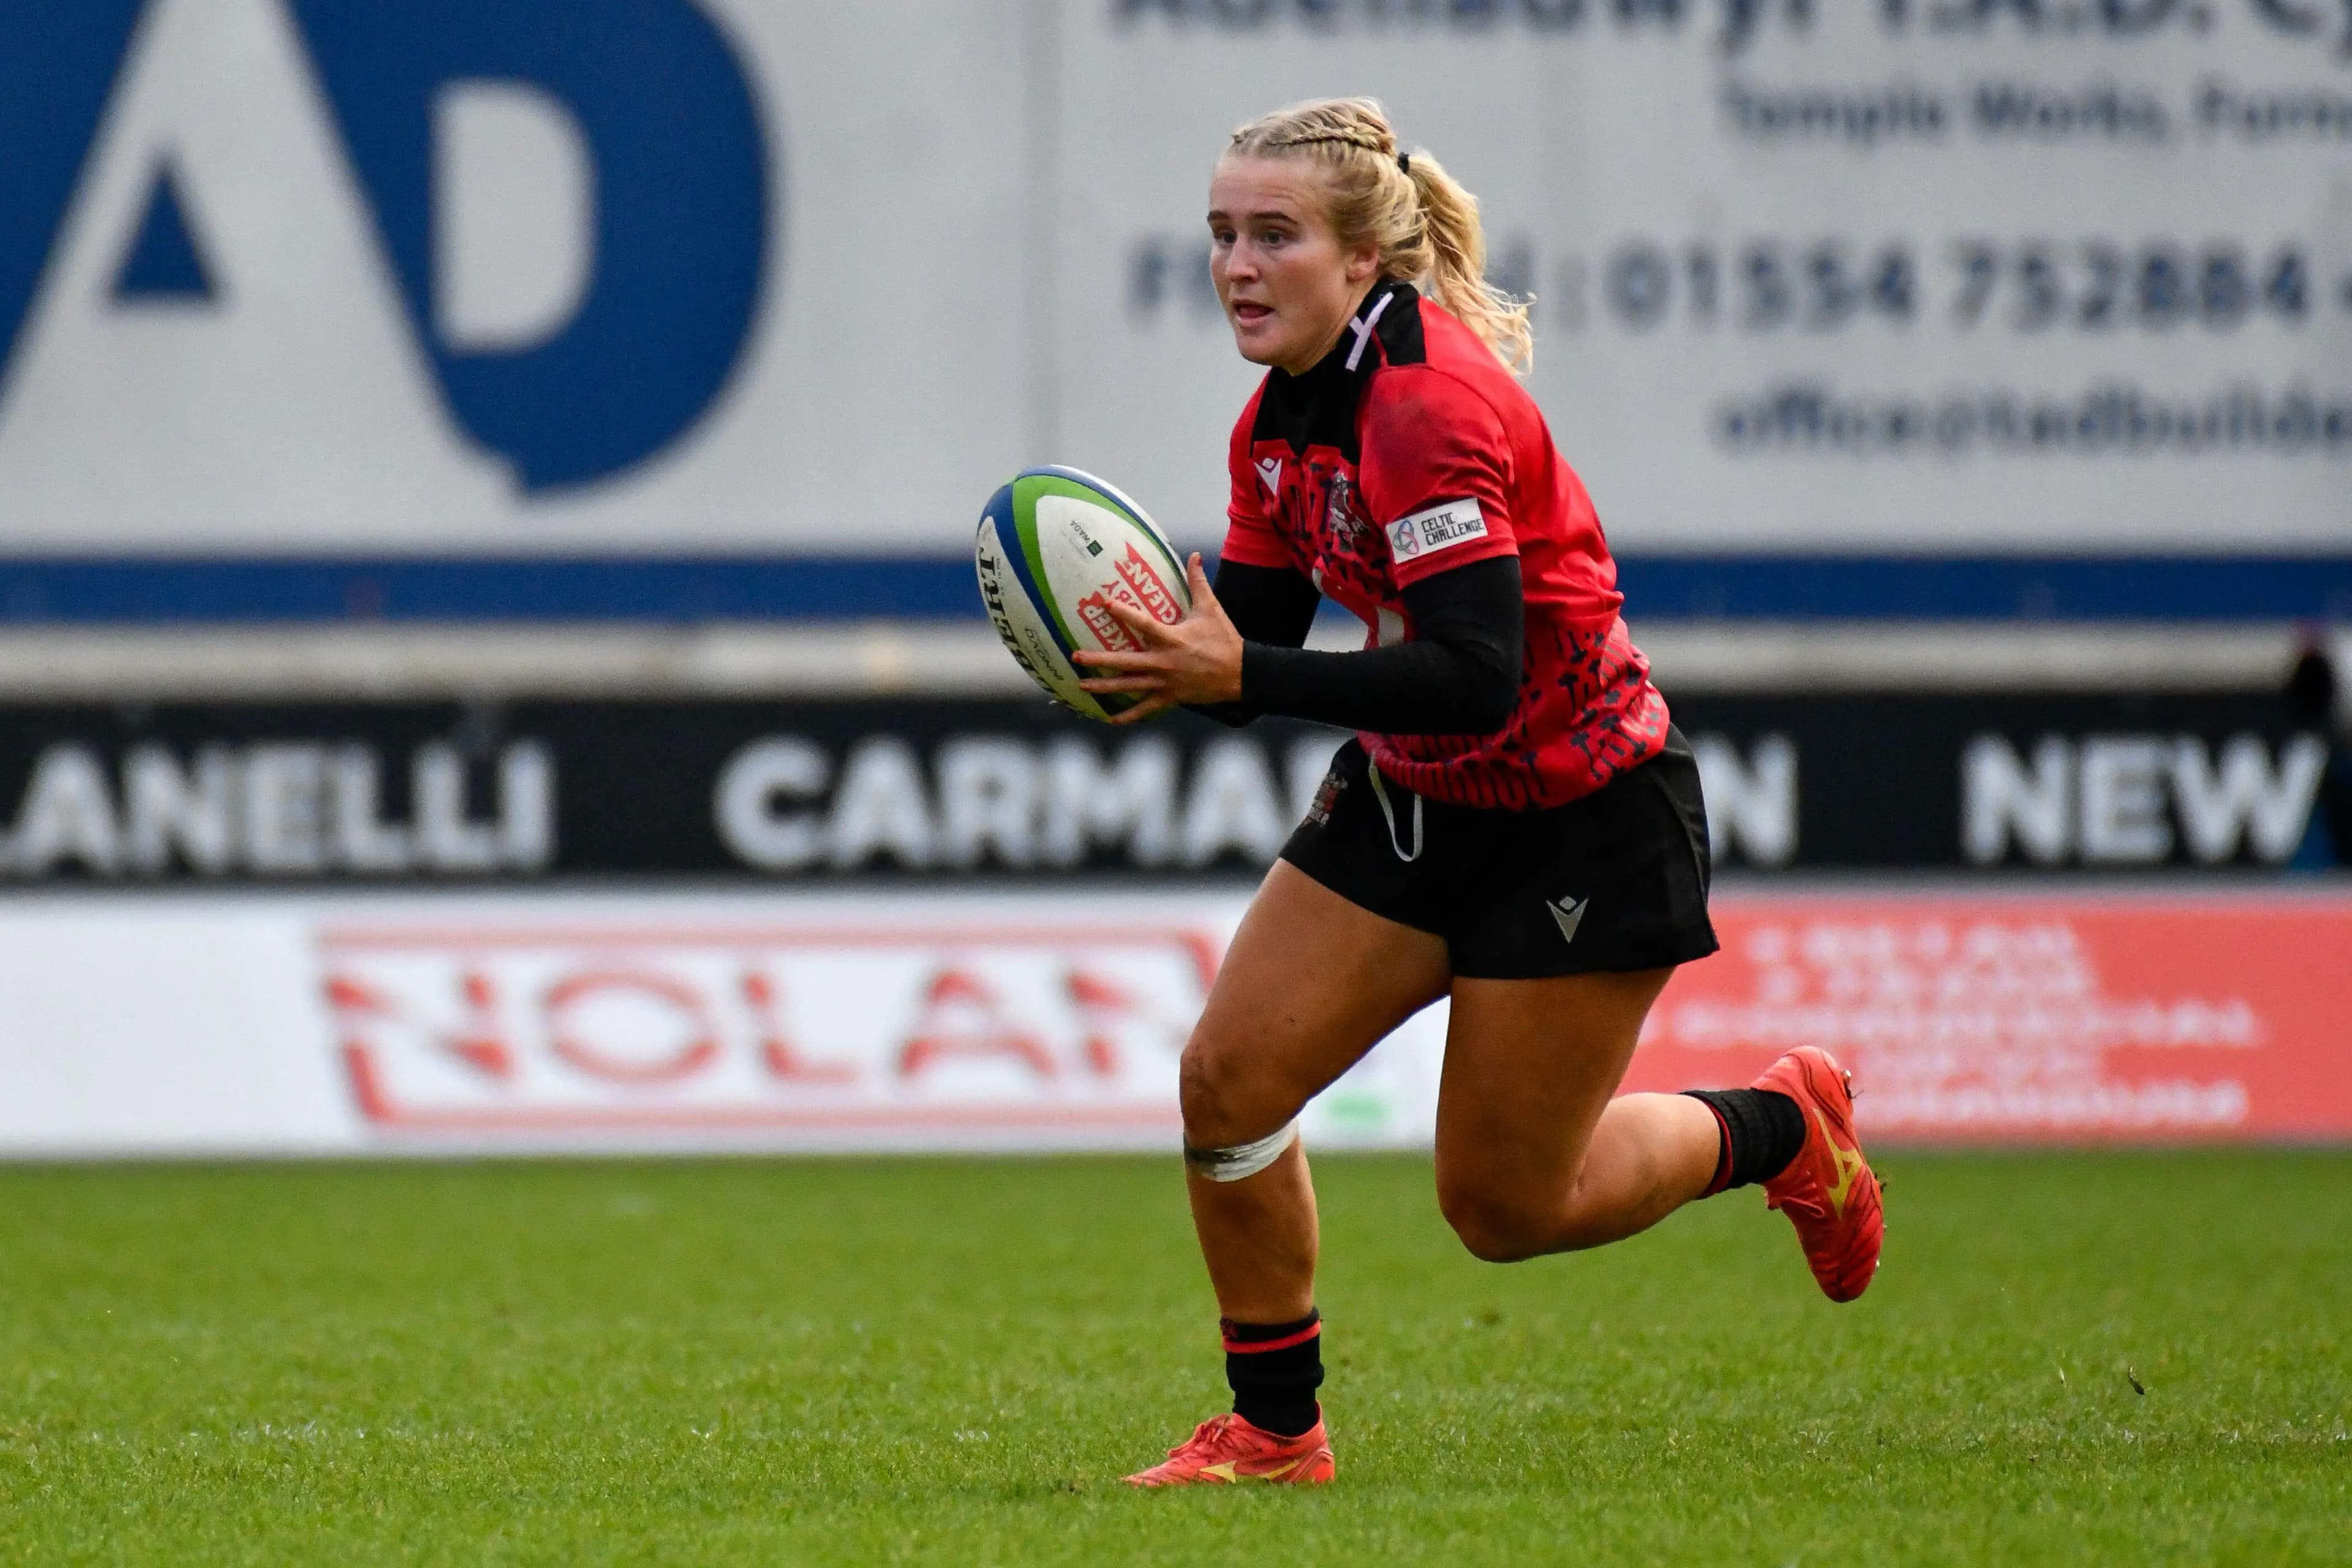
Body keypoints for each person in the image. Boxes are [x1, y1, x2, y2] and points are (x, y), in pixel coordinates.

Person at [1074, 98, 1883, 1489]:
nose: (1237, 266)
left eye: (1275, 235)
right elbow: (1255, 626)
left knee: (1505, 1207)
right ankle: (1275, 1431)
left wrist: (1240, 672)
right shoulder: (1275, 423)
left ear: (1363, 259)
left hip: (1584, 810)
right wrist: (1132, 645)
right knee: (1228, 1075)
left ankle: (1781, 1127)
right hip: (1415, 800)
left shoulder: (1429, 405)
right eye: (1221, 235)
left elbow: (1474, 673)